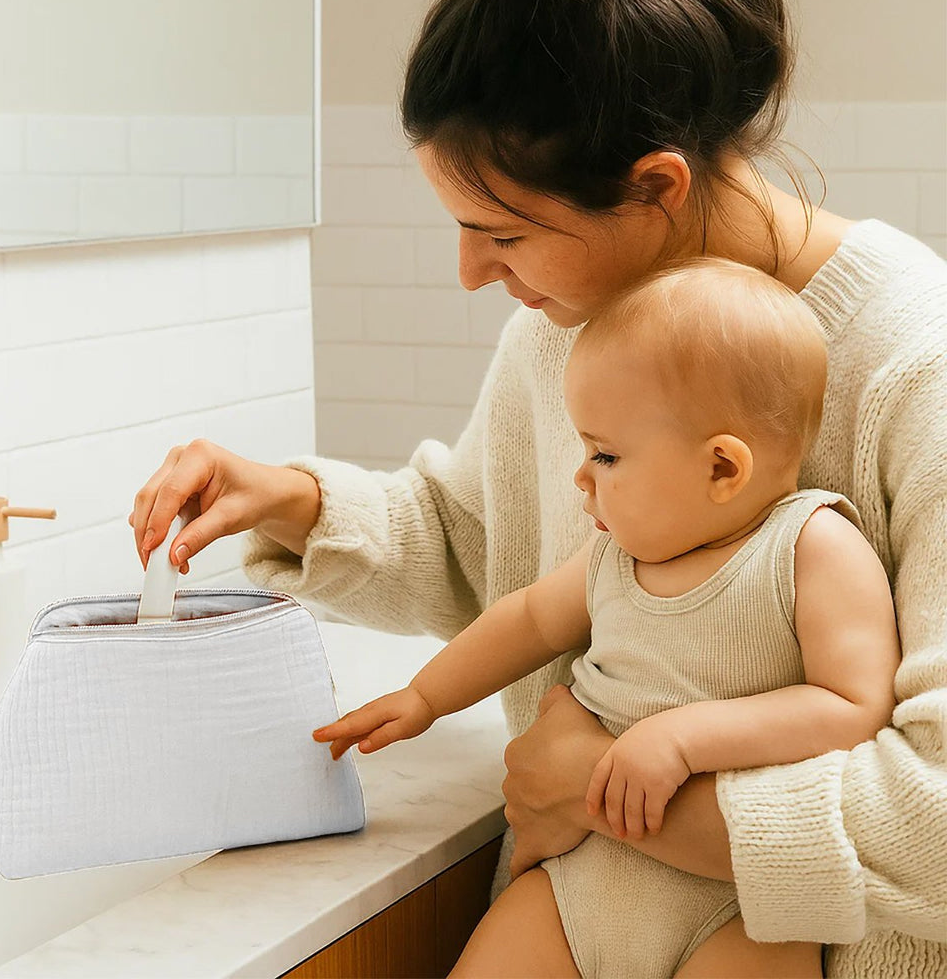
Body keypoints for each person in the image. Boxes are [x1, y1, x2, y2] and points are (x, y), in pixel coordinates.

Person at [130, 0, 947, 973]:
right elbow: (488, 548)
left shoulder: (917, 360)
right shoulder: (572, 326)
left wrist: (602, 787)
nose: (471, 272)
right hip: (577, 914)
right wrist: (292, 501)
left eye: (503, 233)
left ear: (655, 187)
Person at [311, 256, 901, 977]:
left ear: (722, 468)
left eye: (607, 454)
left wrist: (682, 738)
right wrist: (425, 697)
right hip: (576, 887)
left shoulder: (812, 545)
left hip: (741, 912)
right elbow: (528, 621)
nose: (581, 475)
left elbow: (854, 707)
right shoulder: (612, 555)